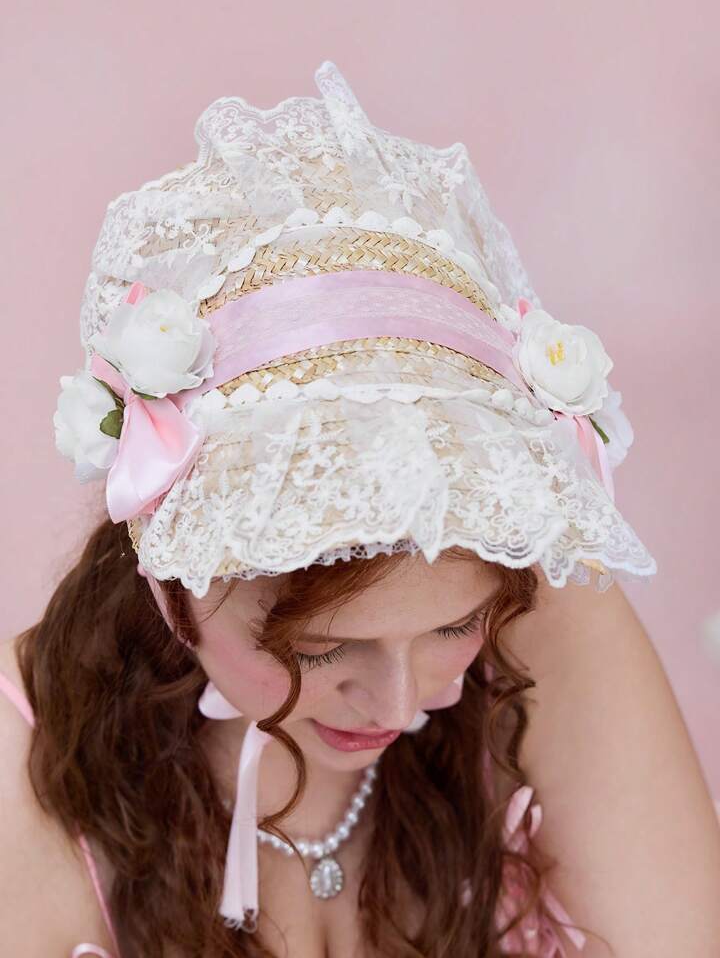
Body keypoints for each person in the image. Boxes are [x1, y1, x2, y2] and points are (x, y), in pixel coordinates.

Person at [1, 59, 719, 958]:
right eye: (321, 647)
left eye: (454, 627)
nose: (401, 700)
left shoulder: (551, 619)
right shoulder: (16, 780)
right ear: (174, 561)